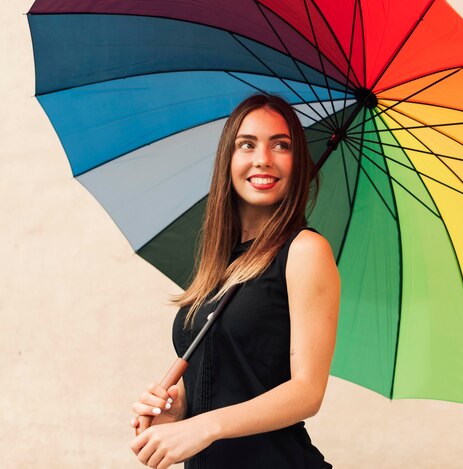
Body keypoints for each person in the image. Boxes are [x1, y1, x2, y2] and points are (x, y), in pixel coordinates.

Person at [129, 94, 340, 469]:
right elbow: (226, 376)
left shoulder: (305, 250)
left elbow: (307, 391)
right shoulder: (219, 262)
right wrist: (179, 410)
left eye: (281, 145)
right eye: (247, 144)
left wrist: (205, 427)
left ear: (298, 163)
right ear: (228, 158)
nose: (264, 158)